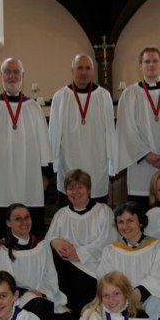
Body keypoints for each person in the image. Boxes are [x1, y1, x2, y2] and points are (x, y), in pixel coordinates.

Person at [0, 58, 53, 239]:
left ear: (23, 76)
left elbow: (44, 143)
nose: (12, 76)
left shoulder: (33, 107)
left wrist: (44, 174)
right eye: (8, 72)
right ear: (1, 76)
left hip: (28, 177)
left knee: (32, 224)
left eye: (16, 72)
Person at [0, 203, 68, 320]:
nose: (24, 222)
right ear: (8, 223)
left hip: (42, 296)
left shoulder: (41, 245)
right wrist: (27, 292)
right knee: (42, 307)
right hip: (14, 300)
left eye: (27, 217)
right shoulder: (0, 249)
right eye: (18, 219)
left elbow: (50, 277)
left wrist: (44, 293)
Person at [115, 47, 160, 209]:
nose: (151, 65)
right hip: (141, 167)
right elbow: (126, 130)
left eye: (155, 61)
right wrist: (146, 154)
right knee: (141, 216)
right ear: (140, 66)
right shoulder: (129, 94)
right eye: (147, 61)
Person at [45, 169, 116, 320]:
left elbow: (107, 242)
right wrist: (55, 242)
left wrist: (79, 253)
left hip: (93, 269)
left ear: (89, 189)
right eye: (71, 188)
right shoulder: (61, 214)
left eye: (79, 187)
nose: (75, 192)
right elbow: (48, 240)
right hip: (66, 267)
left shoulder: (103, 211)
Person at [49, 54, 116, 206]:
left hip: (97, 164)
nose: (83, 72)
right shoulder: (60, 97)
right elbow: (53, 134)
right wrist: (54, 163)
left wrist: (112, 164)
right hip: (68, 163)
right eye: (80, 68)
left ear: (93, 71)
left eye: (88, 68)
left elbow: (110, 133)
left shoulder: (104, 96)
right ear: (72, 70)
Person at [96, 202, 160, 320]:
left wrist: (138, 293)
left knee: (157, 300)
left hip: (148, 299)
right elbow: (105, 279)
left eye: (130, 220)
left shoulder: (158, 246)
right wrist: (123, 297)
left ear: (141, 222)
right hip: (119, 300)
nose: (125, 226)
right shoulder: (110, 250)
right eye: (120, 222)